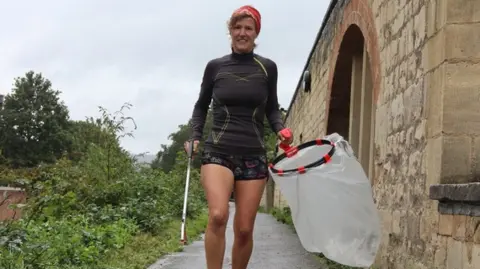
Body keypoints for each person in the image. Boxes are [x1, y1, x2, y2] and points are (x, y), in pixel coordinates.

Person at [184, 5, 293, 269]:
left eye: (249, 28)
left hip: (253, 154)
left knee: (244, 229)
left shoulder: (267, 68)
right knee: (218, 216)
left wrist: (280, 128)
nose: (242, 33)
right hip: (217, 152)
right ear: (230, 31)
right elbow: (201, 106)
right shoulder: (215, 67)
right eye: (237, 28)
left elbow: (271, 108)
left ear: (256, 34)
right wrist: (195, 136)